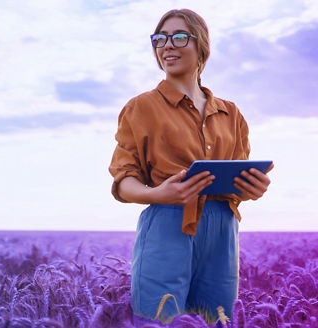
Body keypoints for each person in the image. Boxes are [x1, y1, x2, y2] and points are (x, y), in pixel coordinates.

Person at [109, 8, 274, 325]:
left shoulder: (231, 113)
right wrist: (159, 194)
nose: (167, 45)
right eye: (160, 38)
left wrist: (253, 189)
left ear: (202, 47)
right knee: (159, 320)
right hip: (167, 223)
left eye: (179, 36)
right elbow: (123, 179)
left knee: (218, 320)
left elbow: (238, 175)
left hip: (223, 229)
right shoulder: (141, 107)